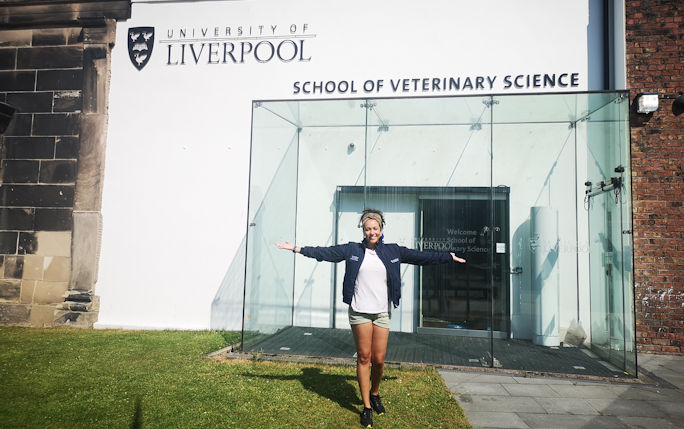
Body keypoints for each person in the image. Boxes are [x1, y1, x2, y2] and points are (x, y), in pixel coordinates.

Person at [275, 208, 466, 428]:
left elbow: (420, 257)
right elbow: (324, 253)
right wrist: (296, 249)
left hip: (382, 312)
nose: (371, 232)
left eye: (375, 228)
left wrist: (447, 257)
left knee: (379, 360)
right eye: (367, 228)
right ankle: (366, 407)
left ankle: (375, 393)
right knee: (364, 357)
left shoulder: (393, 251)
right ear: (363, 230)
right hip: (359, 311)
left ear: (381, 229)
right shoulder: (352, 250)